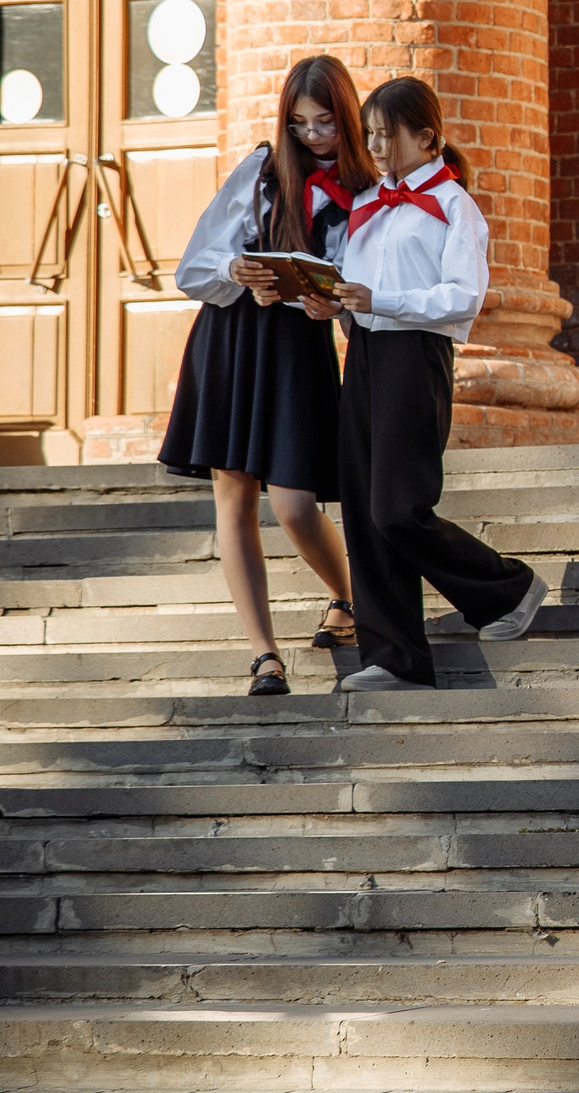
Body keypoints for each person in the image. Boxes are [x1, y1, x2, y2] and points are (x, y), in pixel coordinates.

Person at [299, 78, 548, 691]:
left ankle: (508, 588)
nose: (376, 148)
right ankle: (393, 659)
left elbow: (463, 298)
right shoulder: (366, 205)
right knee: (362, 510)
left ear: (427, 137)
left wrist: (379, 299)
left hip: (417, 357)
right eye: (372, 135)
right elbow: (359, 290)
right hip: (363, 357)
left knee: (397, 509)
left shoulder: (454, 207)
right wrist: (336, 305)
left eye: (388, 136)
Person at [162, 56, 379, 696]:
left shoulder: (367, 192)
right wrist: (236, 272)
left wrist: (330, 303)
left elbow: (359, 290)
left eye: (326, 124)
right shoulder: (258, 171)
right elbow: (192, 265)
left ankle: (348, 598)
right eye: (300, 123)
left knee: (293, 503)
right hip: (230, 337)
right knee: (232, 493)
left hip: (296, 348)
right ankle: (264, 657)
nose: (313, 136)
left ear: (348, 120)